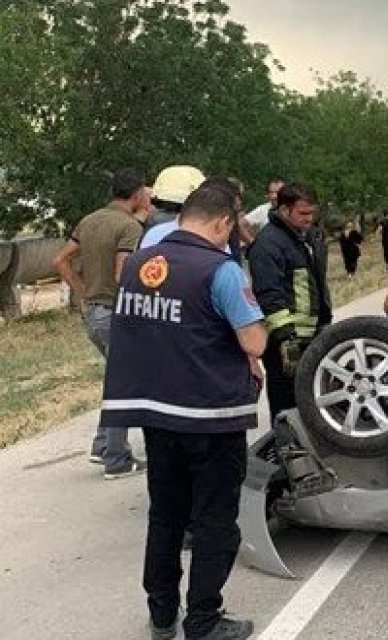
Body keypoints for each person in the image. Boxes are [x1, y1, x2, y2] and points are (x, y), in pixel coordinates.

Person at [99, 181, 263, 640]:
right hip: (209, 415)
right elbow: (254, 341)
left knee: (166, 516)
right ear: (223, 222)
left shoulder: (136, 265)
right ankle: (204, 622)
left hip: (155, 413)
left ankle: (162, 615)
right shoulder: (221, 269)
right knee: (213, 521)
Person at [52, 168, 153, 478]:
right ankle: (117, 459)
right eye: (146, 192)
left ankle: (103, 445)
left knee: (115, 379)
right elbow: (125, 275)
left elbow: (60, 260)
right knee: (124, 385)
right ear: (137, 195)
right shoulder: (129, 227)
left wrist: (82, 293)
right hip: (117, 313)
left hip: (94, 313)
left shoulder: (90, 220)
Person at [247, 182, 332, 420]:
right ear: (284, 210)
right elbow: (268, 295)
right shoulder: (268, 244)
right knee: (287, 405)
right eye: (303, 213)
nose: (309, 218)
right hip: (285, 343)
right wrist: (286, 339)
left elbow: (315, 284)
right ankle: (286, 449)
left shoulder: (306, 237)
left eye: (312, 213)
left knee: (313, 401)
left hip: (312, 335)